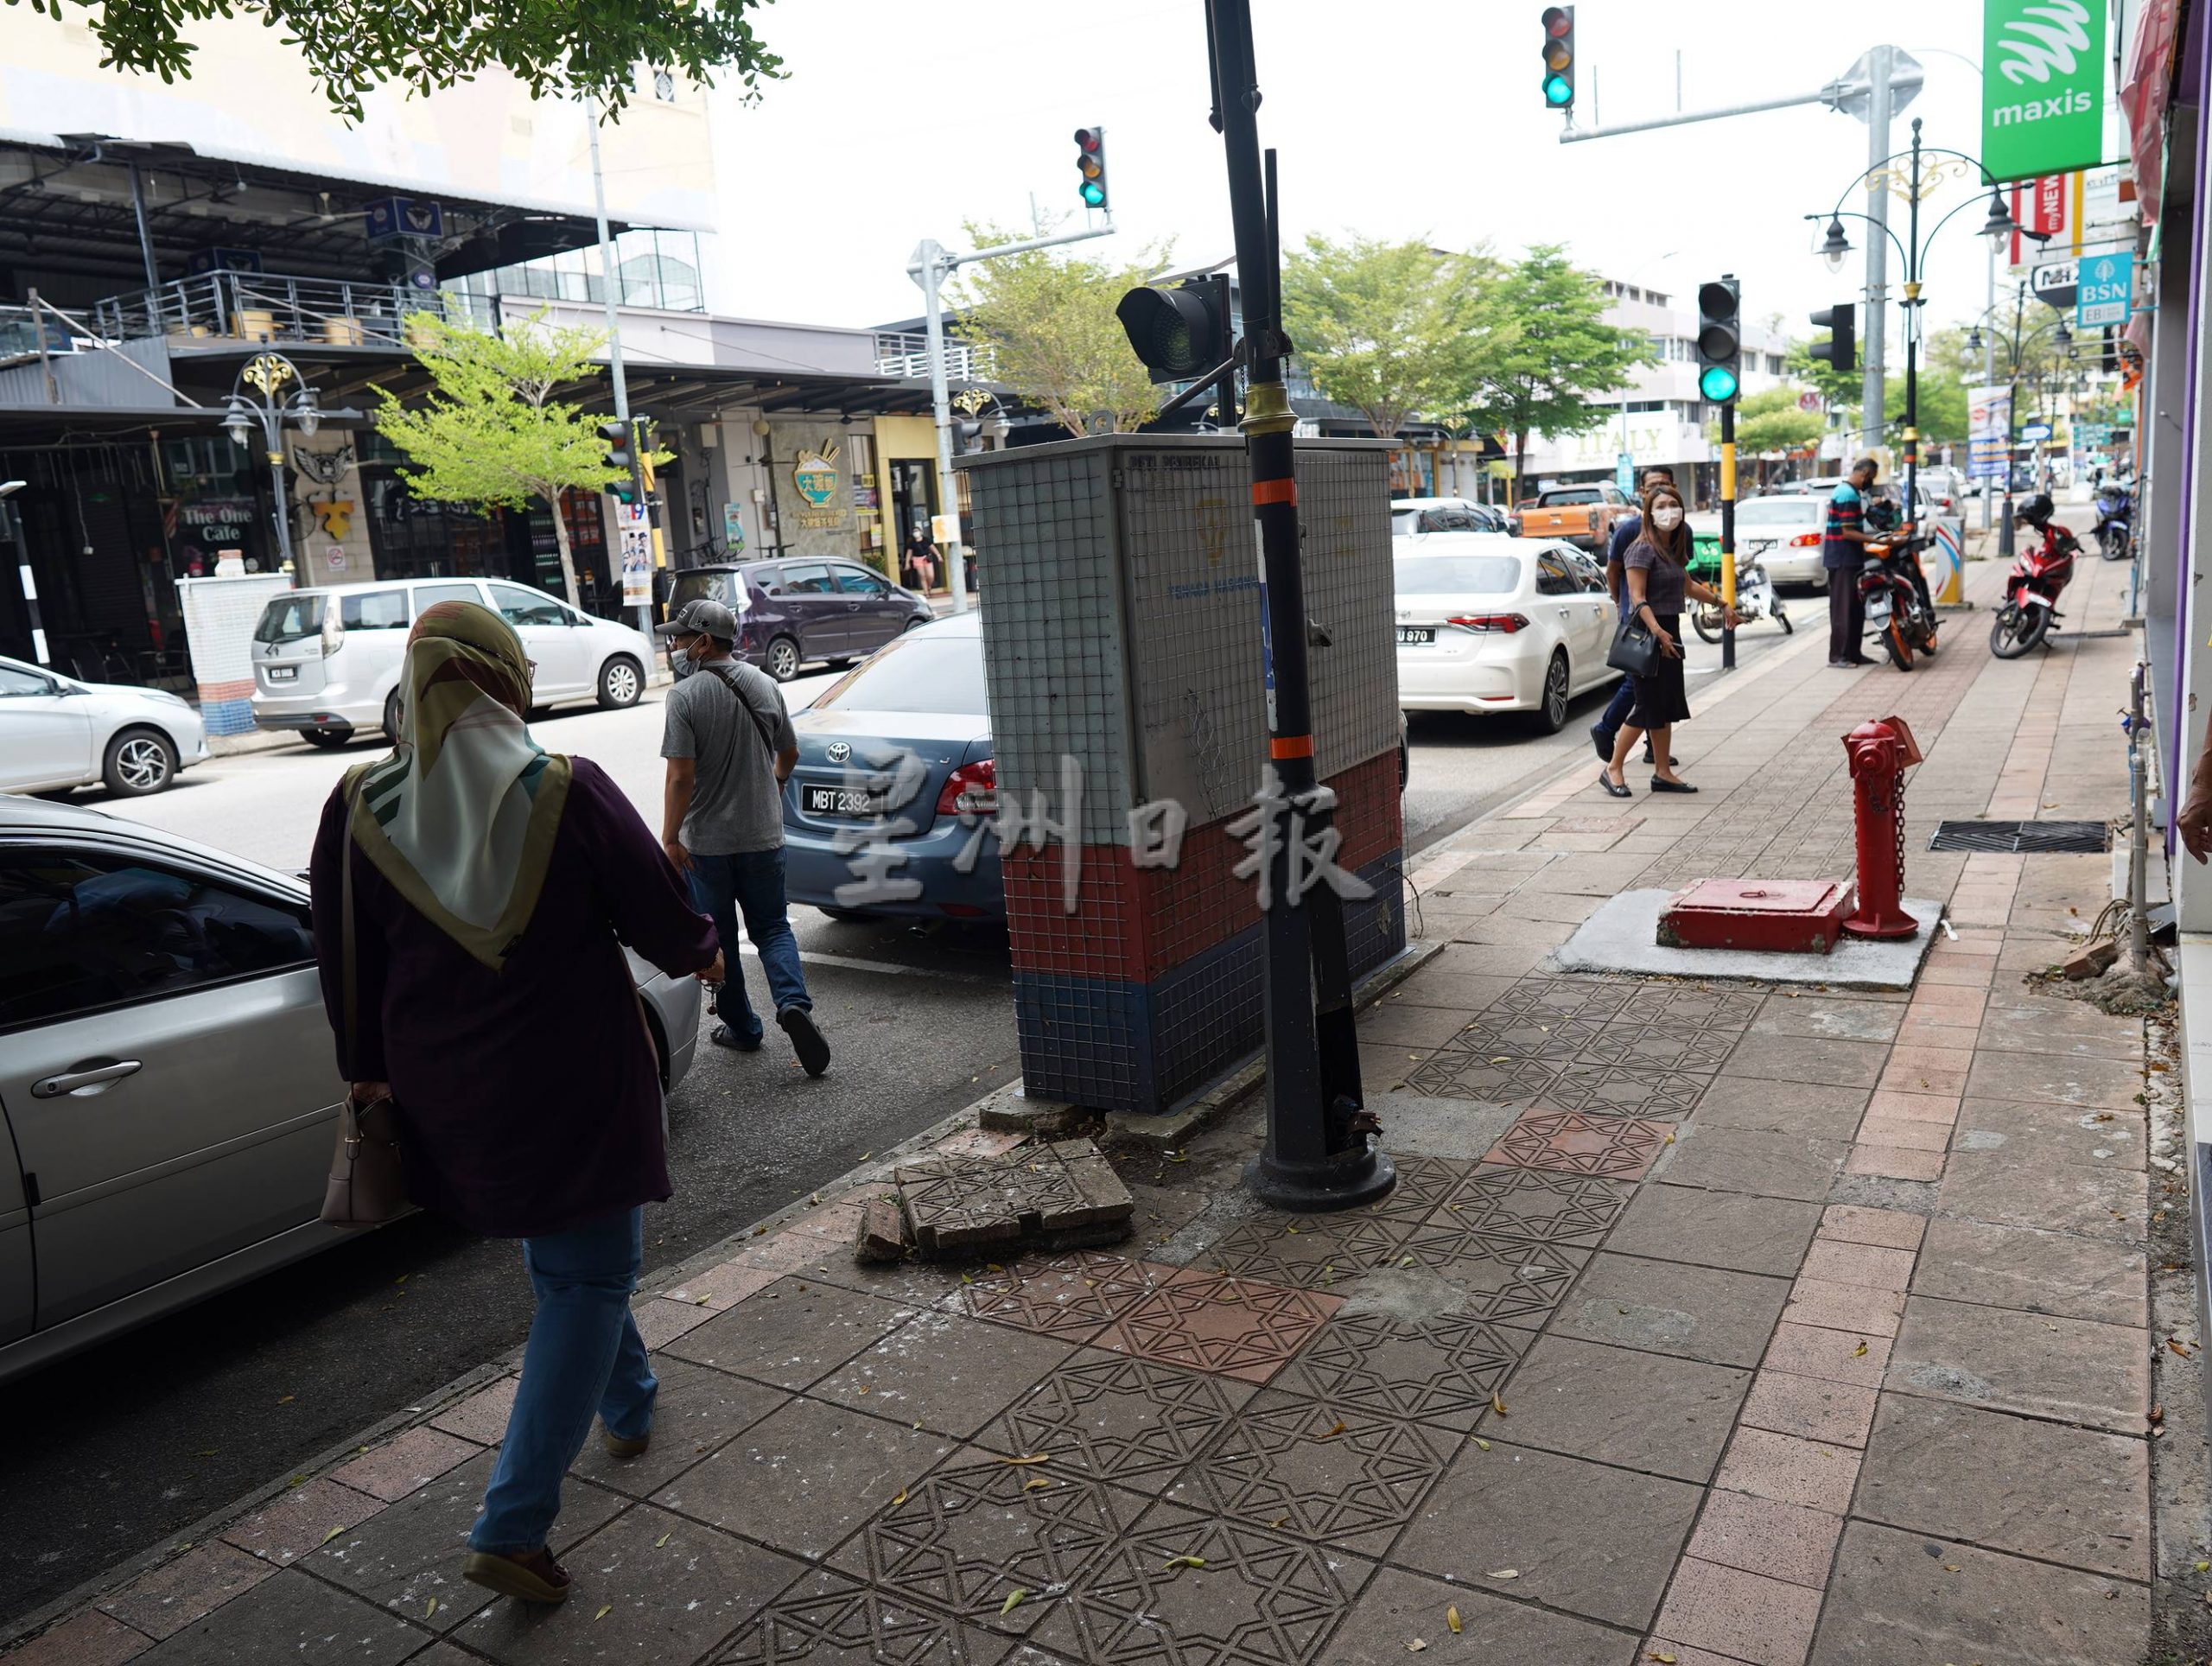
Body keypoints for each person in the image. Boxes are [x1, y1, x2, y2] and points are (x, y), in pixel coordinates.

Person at [309, 601, 721, 1607]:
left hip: (448, 1087)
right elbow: (666, 925)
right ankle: (512, 1522)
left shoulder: (357, 803)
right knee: (587, 1275)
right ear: (503, 677)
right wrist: (706, 951)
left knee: (569, 1264)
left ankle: (628, 1401)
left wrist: (367, 1070)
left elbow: (345, 965)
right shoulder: (563, 788)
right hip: (573, 1076)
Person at [657, 597, 832, 1078]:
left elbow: (680, 777)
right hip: (763, 837)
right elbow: (790, 752)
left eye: (680, 637)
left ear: (704, 641)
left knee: (723, 939)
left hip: (707, 846)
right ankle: (794, 1005)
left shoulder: (685, 696)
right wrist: (773, 785)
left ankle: (744, 1028)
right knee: (774, 927)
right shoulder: (766, 684)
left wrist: (670, 837)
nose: (674, 646)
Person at [1599, 482, 1735, 798]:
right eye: (1660, 506)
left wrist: (1723, 604)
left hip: (1669, 631)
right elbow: (1637, 598)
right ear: (1648, 513)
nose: (1668, 512)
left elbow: (1688, 585)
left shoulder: (1672, 548)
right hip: (1649, 634)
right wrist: (1658, 632)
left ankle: (1662, 772)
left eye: (1673, 505)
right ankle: (1613, 768)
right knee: (1647, 705)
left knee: (1666, 704)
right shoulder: (1641, 548)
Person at [1590, 467, 1679, 766]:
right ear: (1642, 492)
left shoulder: (1678, 531)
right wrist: (1621, 603)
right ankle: (1607, 734)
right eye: (1653, 486)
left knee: (1656, 690)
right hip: (1640, 617)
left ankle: (1656, 753)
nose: (1660, 491)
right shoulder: (1632, 533)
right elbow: (1613, 571)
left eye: (1665, 485)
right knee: (1640, 684)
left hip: (1665, 617)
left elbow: (1682, 576)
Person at [1823, 455, 1889, 668]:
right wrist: (1875, 540)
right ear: (1865, 474)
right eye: (1871, 478)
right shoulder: (1847, 495)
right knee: (1843, 609)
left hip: (1850, 559)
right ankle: (1838, 656)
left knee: (1855, 609)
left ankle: (1854, 653)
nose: (1870, 482)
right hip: (1842, 559)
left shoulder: (1850, 493)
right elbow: (1847, 532)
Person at [903, 525, 938, 592]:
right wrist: (907, 563)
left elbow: (933, 548)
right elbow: (909, 553)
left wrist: (938, 555)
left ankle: (929, 585)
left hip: (926, 558)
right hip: (917, 559)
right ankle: (926, 593)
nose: (916, 533)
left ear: (921, 532)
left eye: (917, 531)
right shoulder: (912, 543)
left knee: (931, 576)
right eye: (914, 532)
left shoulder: (926, 540)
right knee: (922, 576)